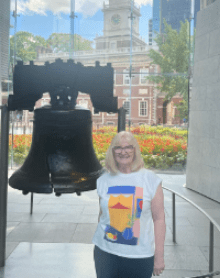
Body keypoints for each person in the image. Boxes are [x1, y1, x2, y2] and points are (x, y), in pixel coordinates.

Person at [92, 131, 166, 278]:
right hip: (105, 254)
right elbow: (102, 215)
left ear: (135, 150)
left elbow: (159, 219)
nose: (123, 152)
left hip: (139, 257)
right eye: (118, 147)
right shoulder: (103, 181)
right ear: (112, 152)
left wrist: (159, 256)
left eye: (128, 147)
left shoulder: (151, 180)